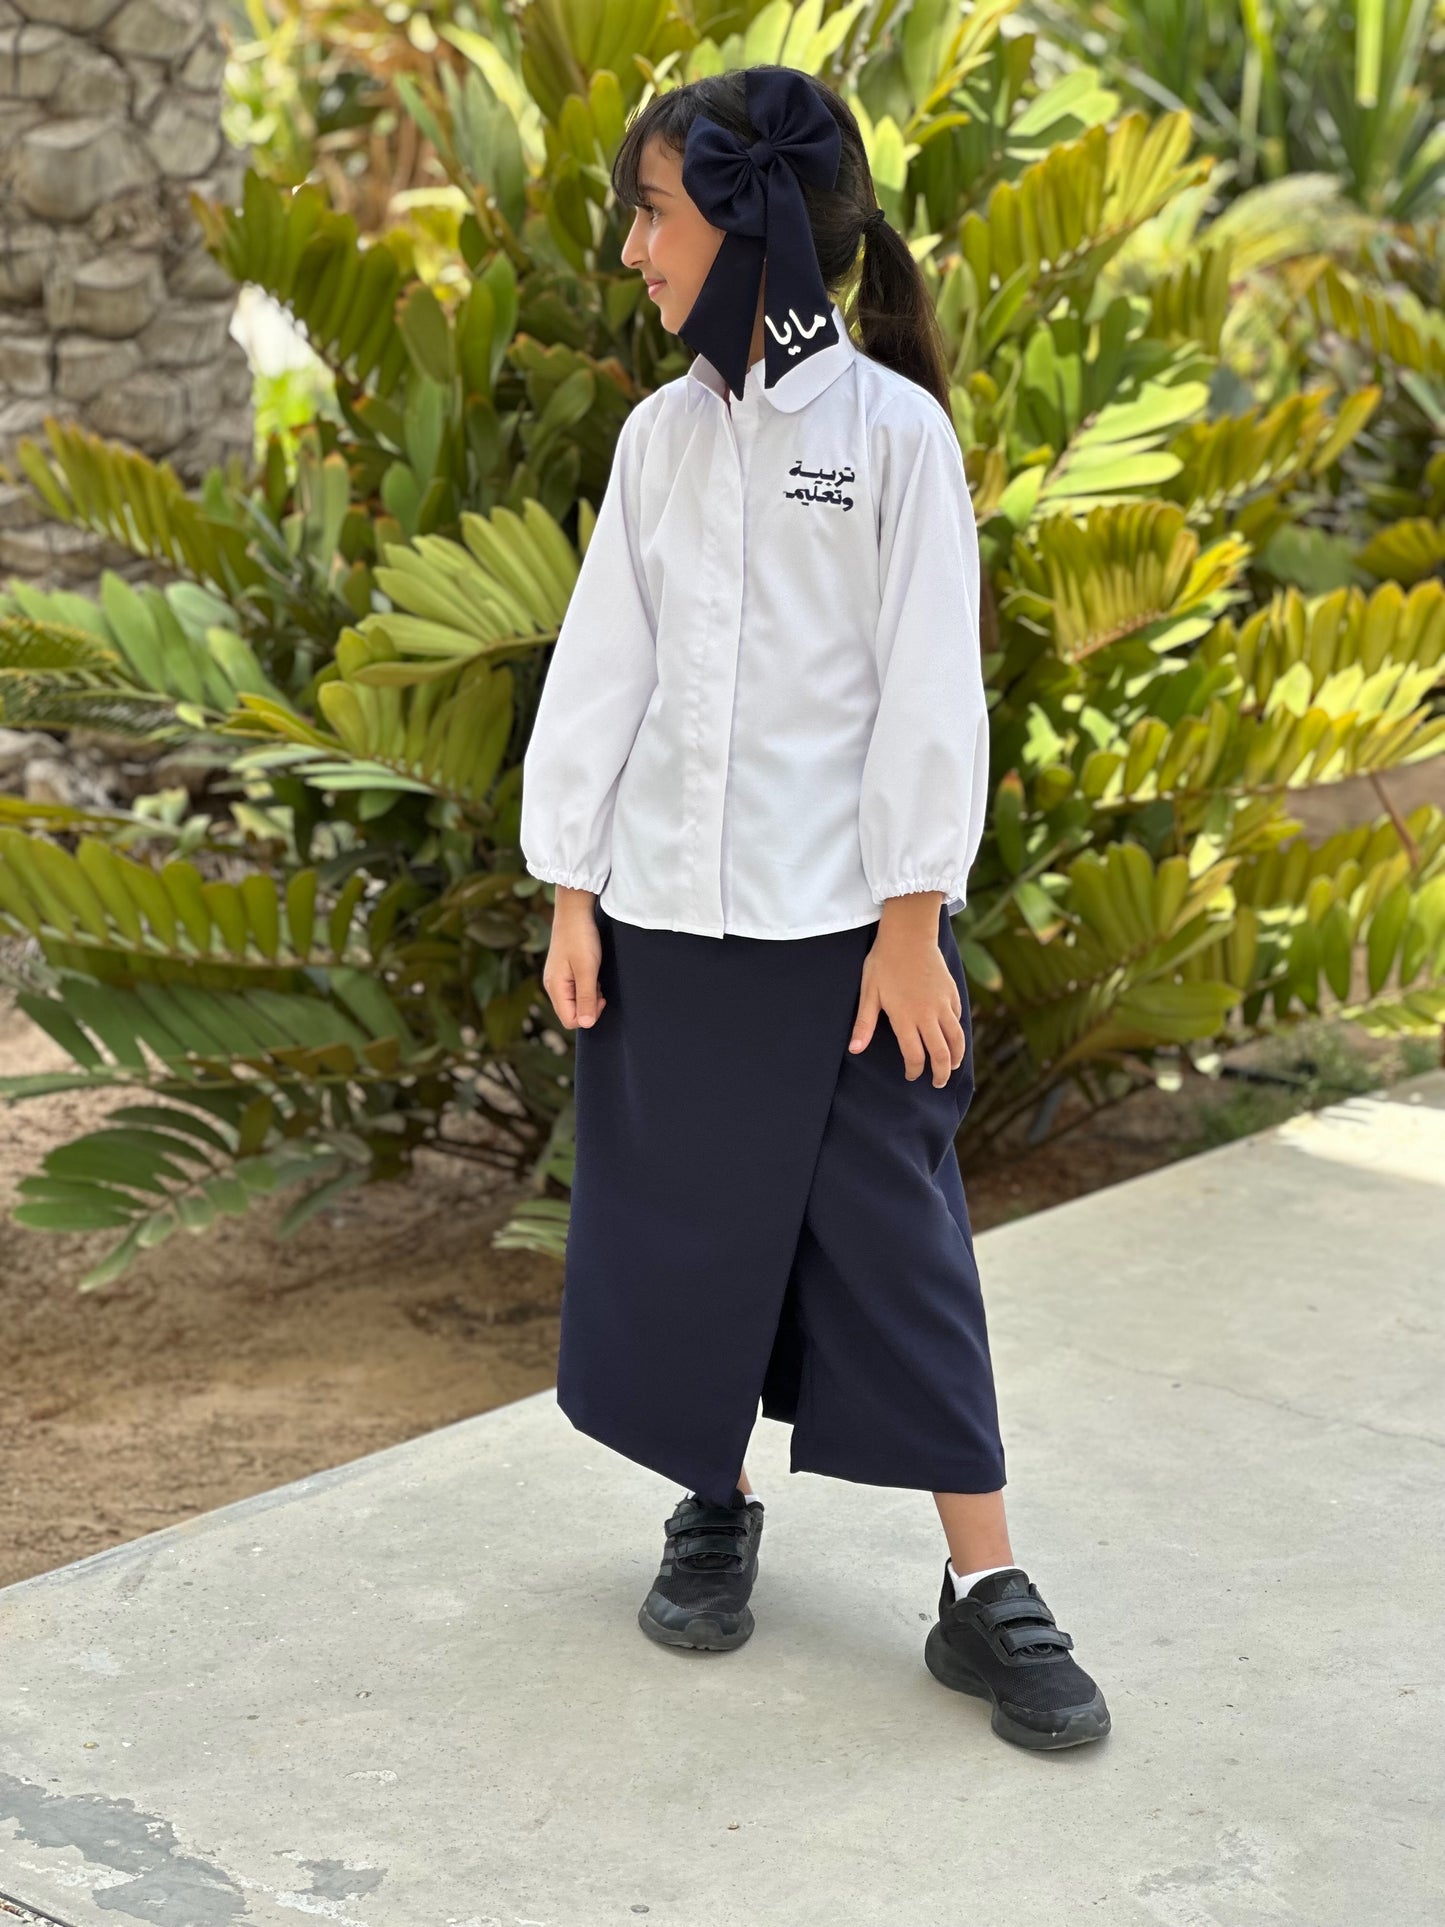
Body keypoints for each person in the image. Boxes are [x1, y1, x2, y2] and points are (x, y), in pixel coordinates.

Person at [519, 64, 1110, 1751]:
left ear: (749, 222)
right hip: (662, 928)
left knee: (899, 1247)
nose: (630, 249)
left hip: (850, 946)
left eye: (651, 213)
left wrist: (910, 926)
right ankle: (710, 1507)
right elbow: (603, 671)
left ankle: (985, 1586)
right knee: (688, 1232)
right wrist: (572, 894)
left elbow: (928, 696)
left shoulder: (891, 439)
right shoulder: (656, 439)